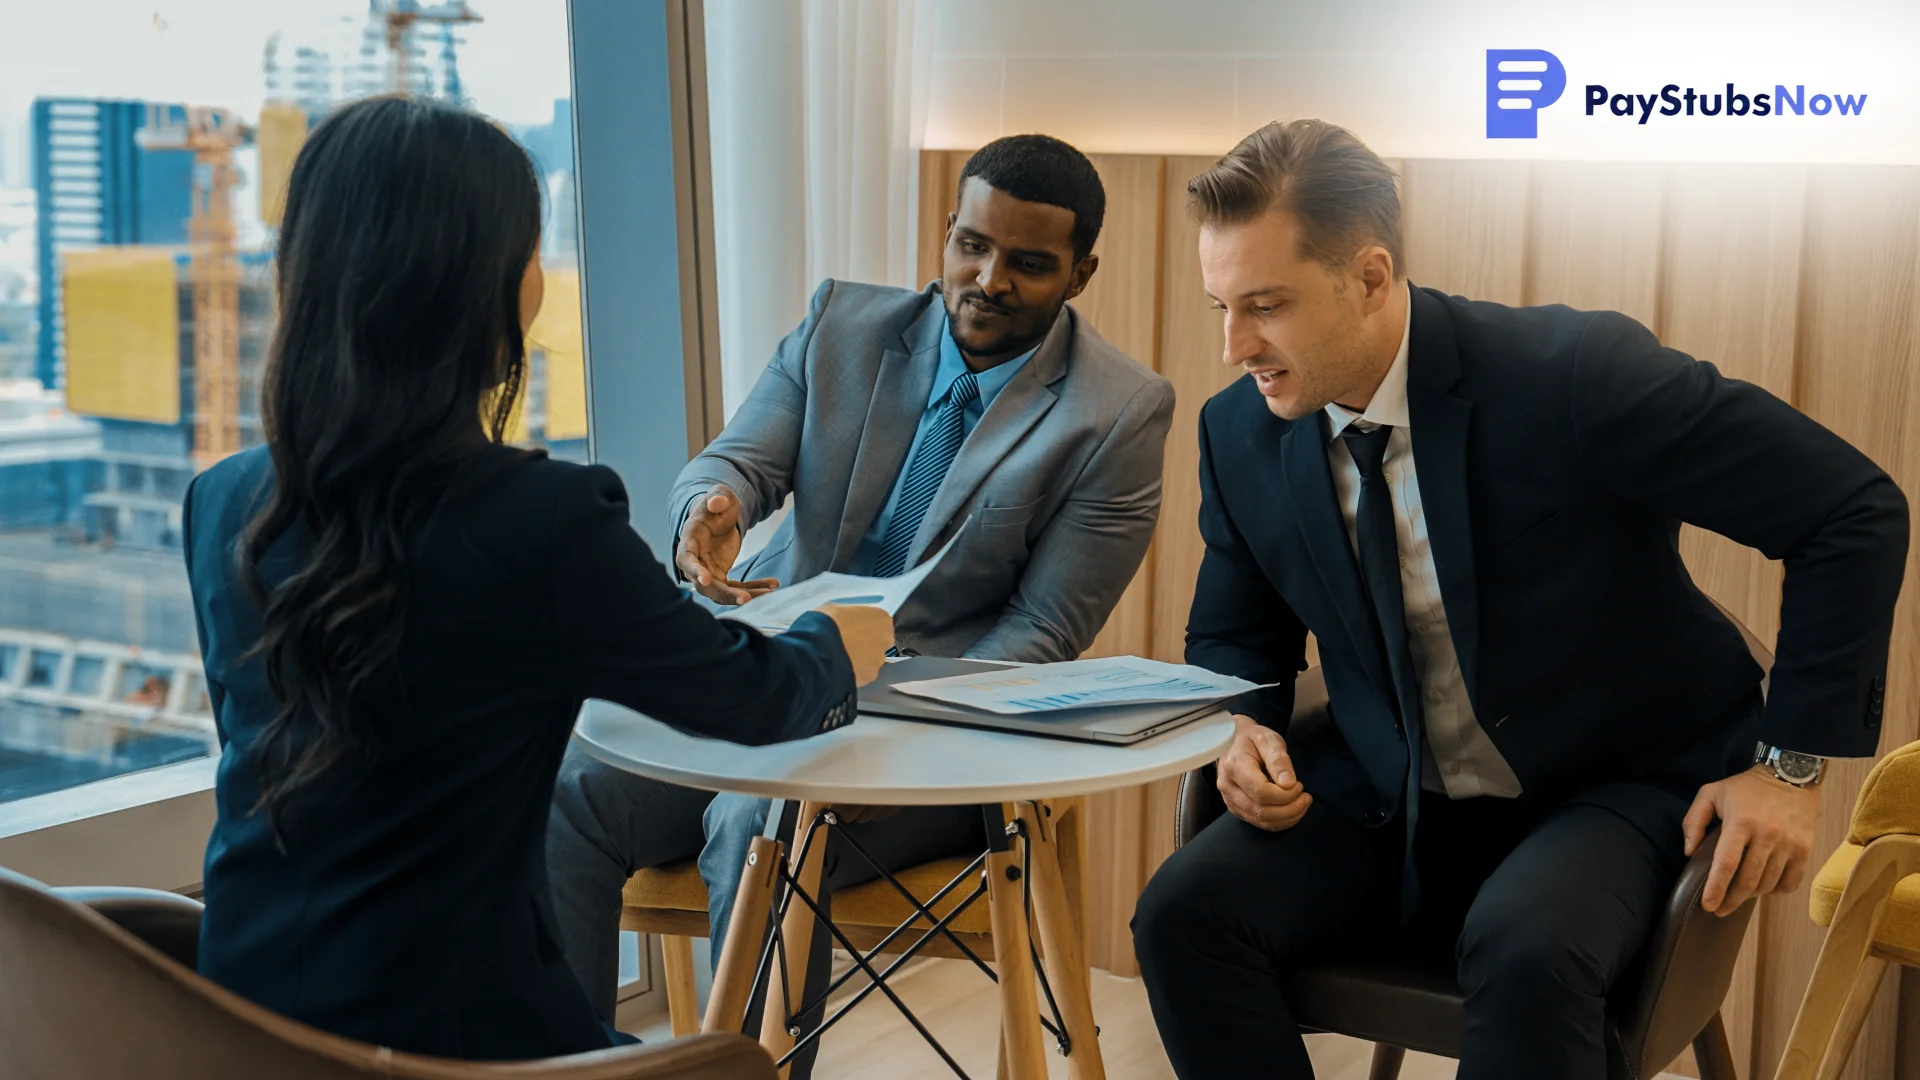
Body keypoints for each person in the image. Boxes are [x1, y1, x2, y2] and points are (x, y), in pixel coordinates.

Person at [1130, 118, 1909, 1079]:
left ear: (1370, 277)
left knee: (1525, 952)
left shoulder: (1572, 376)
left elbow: (1849, 511)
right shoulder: (1239, 431)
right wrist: (1242, 725)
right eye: (1221, 305)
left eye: (1266, 306)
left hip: (1617, 785)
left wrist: (1789, 768)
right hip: (1389, 794)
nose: (1233, 346)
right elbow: (1236, 634)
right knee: (1181, 917)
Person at [183, 95, 892, 1062]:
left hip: (239, 1028)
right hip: (462, 1047)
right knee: (732, 1065)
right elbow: (747, 696)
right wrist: (833, 645)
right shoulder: (541, 519)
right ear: (484, 287)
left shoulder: (222, 501)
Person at [546, 134, 1174, 1071]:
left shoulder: (1119, 411)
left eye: (1029, 263)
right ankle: (564, 1068)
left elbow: (1041, 633)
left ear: (1080, 273)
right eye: (972, 245)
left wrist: (879, 728)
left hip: (929, 738)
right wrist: (710, 513)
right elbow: (737, 462)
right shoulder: (841, 323)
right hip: (766, 681)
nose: (988, 279)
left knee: (759, 822)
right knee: (566, 789)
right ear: (948, 231)